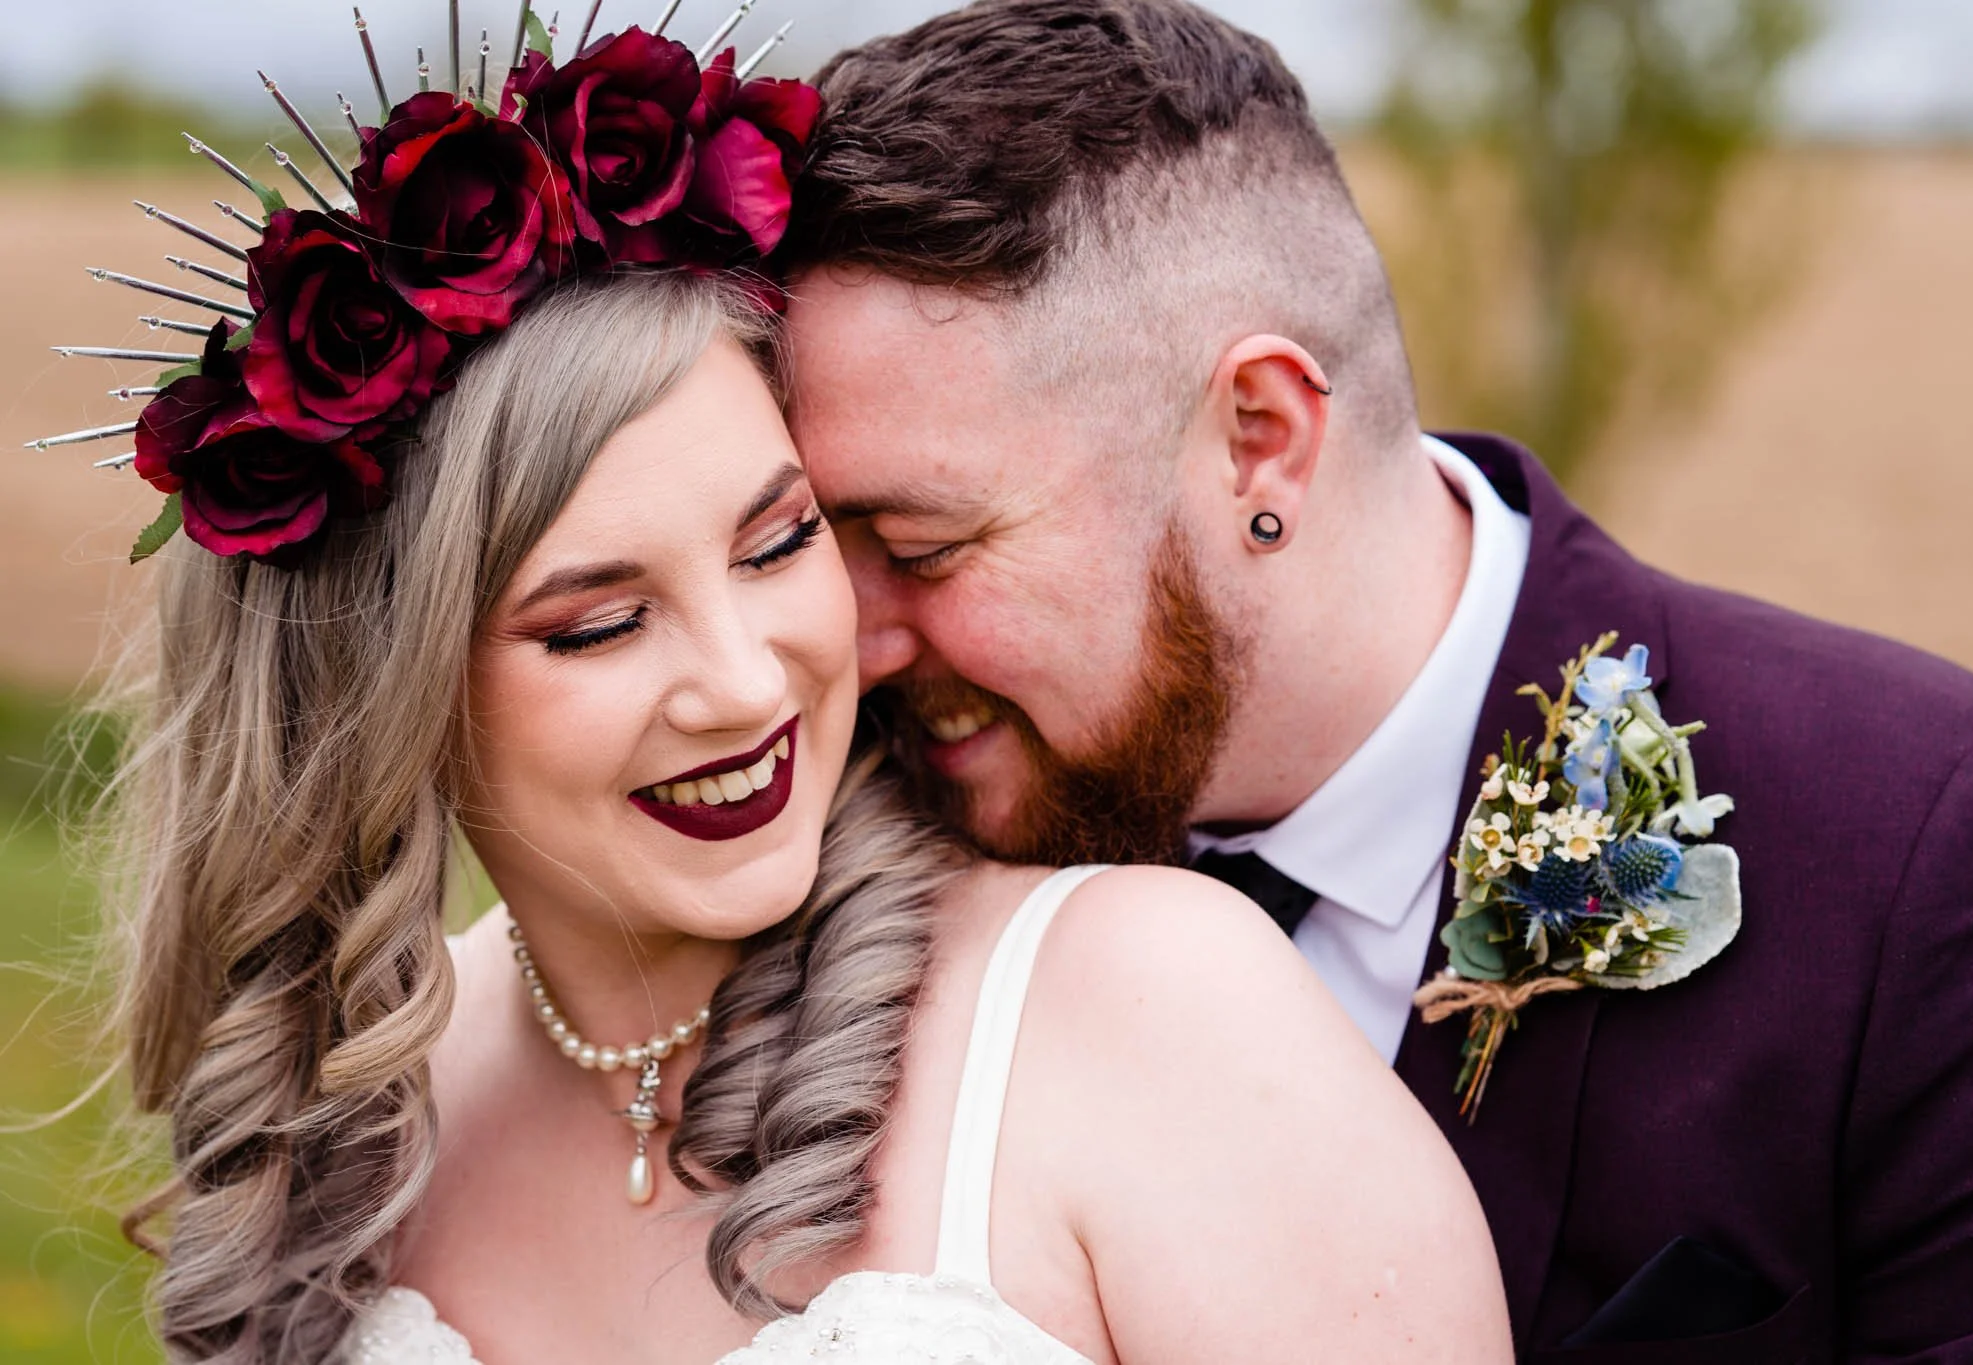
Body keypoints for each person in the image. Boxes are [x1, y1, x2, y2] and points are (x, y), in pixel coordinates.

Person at [81, 20, 1510, 1365]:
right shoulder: (367, 1109)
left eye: (782, 542)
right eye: (601, 624)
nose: (747, 679)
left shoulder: (1150, 1011)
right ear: (380, 692)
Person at [776, 0, 1973, 1359]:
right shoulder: (811, 856)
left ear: (1260, 443)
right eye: (799, 540)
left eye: (922, 545)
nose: (850, 642)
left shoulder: (1940, 872)